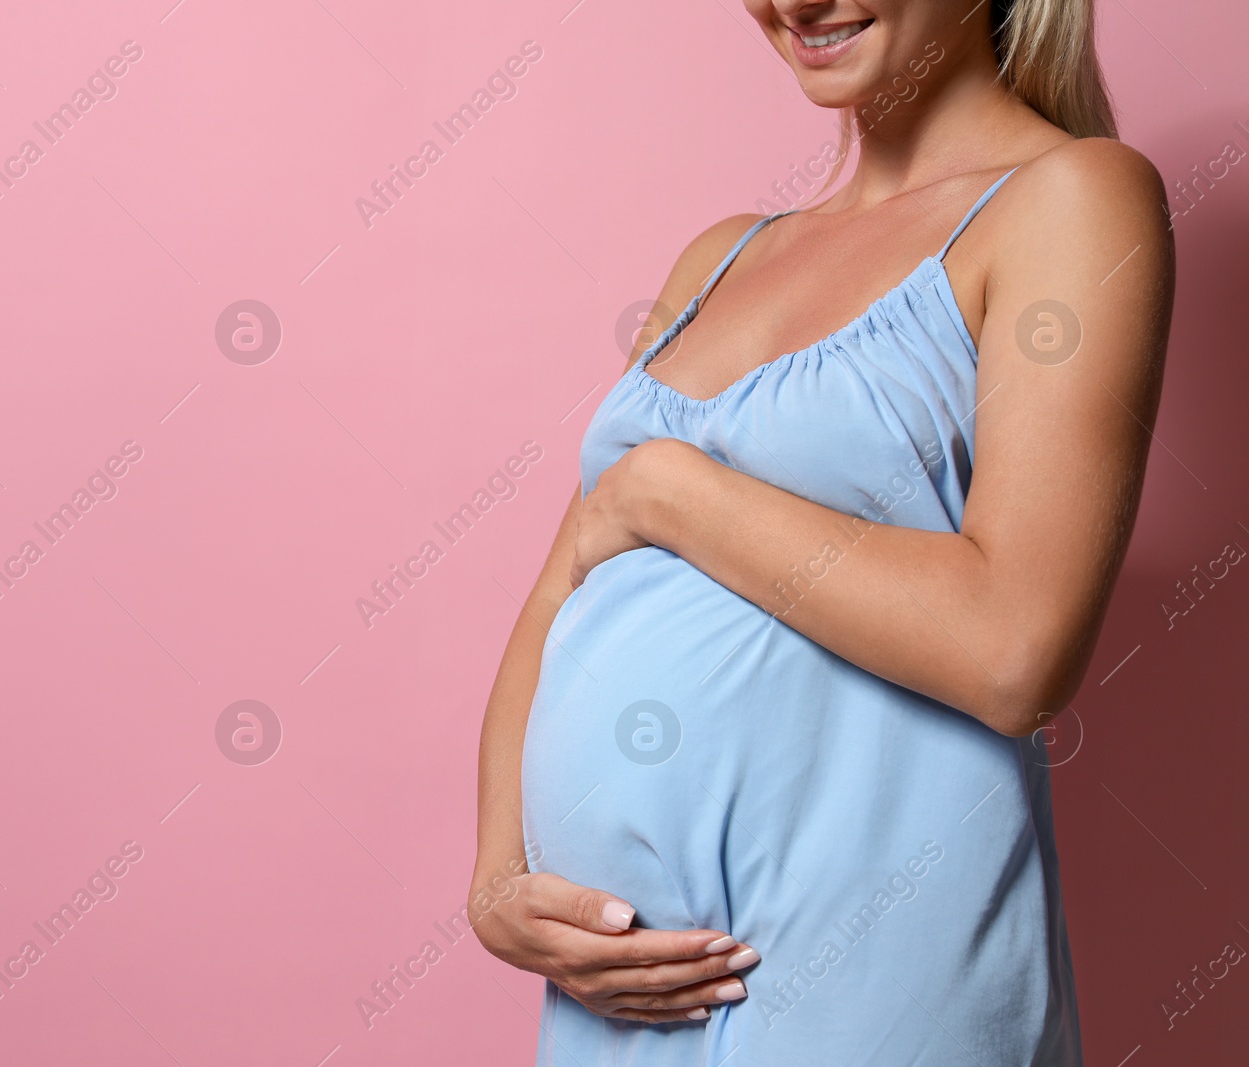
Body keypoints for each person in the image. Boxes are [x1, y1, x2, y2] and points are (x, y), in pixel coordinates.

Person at [468, 1, 1175, 1063]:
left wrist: (668, 488)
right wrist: (498, 883)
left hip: (874, 983)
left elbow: (1014, 645)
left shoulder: (1071, 198)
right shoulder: (719, 256)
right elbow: (556, 596)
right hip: (622, 1006)